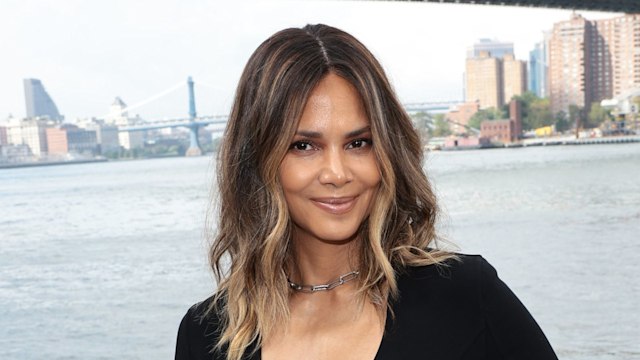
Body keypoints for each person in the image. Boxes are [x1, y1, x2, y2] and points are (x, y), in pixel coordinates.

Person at [175, 24, 558, 360]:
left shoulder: (465, 297)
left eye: (358, 143)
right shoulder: (206, 336)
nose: (337, 173)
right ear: (258, 159)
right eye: (304, 146)